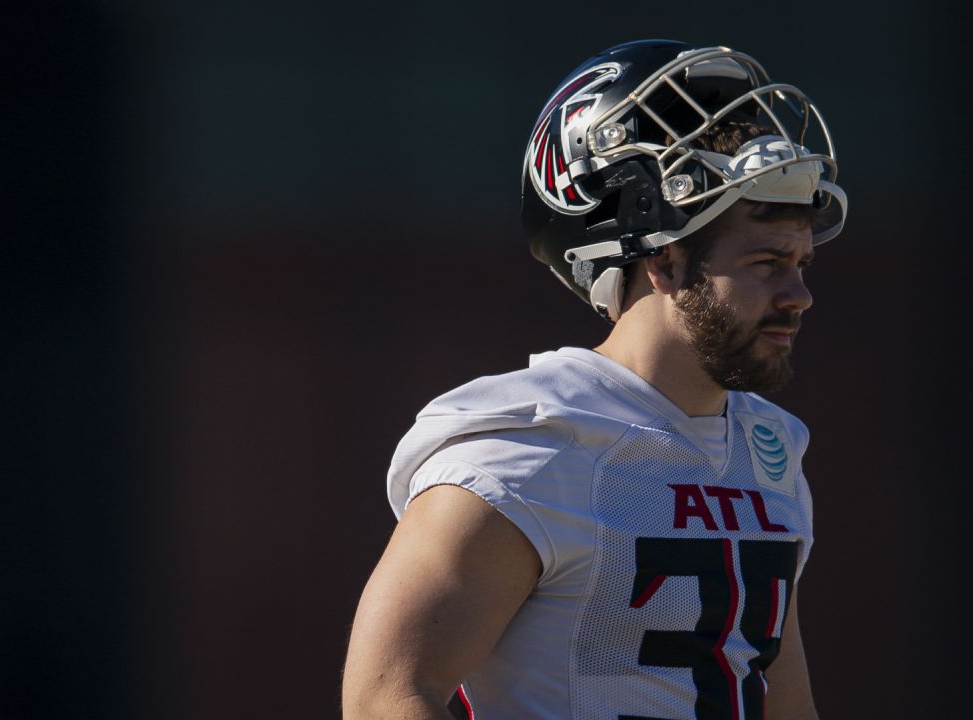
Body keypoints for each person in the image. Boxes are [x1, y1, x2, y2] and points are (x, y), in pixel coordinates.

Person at [342, 38, 847, 720]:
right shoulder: (530, 445)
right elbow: (386, 696)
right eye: (765, 262)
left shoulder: (769, 452)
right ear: (664, 262)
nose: (799, 294)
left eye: (802, 263)